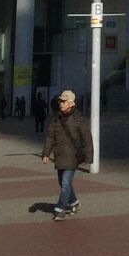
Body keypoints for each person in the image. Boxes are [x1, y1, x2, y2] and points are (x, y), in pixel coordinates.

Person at [42, 89, 92, 220]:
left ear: (71, 103)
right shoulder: (56, 119)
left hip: (73, 156)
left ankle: (60, 209)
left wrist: (88, 157)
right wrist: (46, 153)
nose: (61, 104)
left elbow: (87, 138)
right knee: (63, 182)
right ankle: (74, 202)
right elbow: (50, 137)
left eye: (64, 101)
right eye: (60, 101)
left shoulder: (79, 119)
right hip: (60, 155)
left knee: (65, 182)